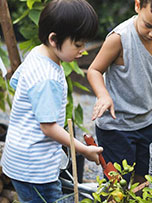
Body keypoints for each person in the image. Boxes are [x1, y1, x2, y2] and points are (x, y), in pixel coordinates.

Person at [1, 0, 103, 202]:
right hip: (35, 170)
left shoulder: (36, 54)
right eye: (78, 44)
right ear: (54, 39)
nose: (83, 51)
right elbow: (48, 127)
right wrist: (83, 150)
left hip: (22, 159)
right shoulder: (47, 78)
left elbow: (16, 83)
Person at [87, 0, 152, 183]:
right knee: (118, 183)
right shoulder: (120, 38)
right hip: (117, 128)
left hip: (148, 123)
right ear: (138, 5)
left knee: (145, 177)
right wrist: (103, 95)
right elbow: (94, 70)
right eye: (148, 25)